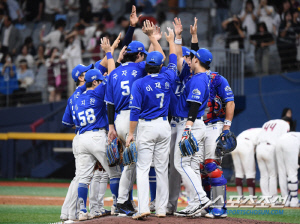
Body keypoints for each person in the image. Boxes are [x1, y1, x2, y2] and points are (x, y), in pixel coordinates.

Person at [105, 14, 165, 216]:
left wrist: (111, 127)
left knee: (129, 162)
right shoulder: (141, 68)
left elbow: (110, 104)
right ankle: (123, 201)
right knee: (135, 163)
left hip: (118, 119)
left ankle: (122, 202)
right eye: (142, 55)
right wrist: (153, 39)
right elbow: (156, 59)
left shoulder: (113, 73)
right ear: (139, 56)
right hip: (133, 118)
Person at [126, 27, 176, 220]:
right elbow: (170, 60)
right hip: (164, 126)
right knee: (163, 168)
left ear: (147, 66)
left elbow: (134, 111)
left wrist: (131, 134)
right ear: (160, 65)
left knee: (143, 168)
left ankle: (143, 208)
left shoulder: (139, 84)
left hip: (146, 126)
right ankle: (162, 209)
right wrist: (171, 41)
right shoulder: (168, 77)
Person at [74, 66, 122, 221]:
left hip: (81, 137)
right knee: (114, 173)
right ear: (94, 82)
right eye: (99, 81)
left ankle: (82, 211)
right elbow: (111, 77)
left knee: (84, 178)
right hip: (97, 136)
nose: (101, 82)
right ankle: (116, 205)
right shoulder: (97, 92)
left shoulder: (77, 98)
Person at [171, 40, 212, 217]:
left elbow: (194, 106)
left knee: (180, 164)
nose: (190, 59)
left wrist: (187, 129)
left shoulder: (198, 80)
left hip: (190, 125)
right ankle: (195, 204)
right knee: (191, 166)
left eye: (193, 57)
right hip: (195, 124)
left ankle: (202, 198)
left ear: (196, 60)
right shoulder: (202, 77)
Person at [60, 63, 92, 222]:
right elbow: (66, 123)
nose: (91, 72)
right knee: (81, 177)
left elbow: (67, 122)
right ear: (81, 77)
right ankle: (69, 212)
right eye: (87, 71)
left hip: (81, 137)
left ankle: (68, 211)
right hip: (84, 137)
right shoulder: (78, 95)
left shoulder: (77, 95)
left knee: (80, 177)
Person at [256, 117, 290, 203]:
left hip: (259, 147)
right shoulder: (285, 124)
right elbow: (285, 138)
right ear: (288, 122)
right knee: (273, 175)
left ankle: (266, 198)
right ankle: (273, 199)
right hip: (270, 148)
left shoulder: (268, 122)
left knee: (263, 175)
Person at [231, 128, 262, 197]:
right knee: (250, 173)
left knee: (239, 173)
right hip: (246, 143)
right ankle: (252, 197)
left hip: (235, 143)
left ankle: (240, 197)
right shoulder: (265, 132)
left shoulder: (256, 130)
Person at [276, 131, 300, 207]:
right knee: (292, 172)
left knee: (282, 172)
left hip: (279, 140)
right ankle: (294, 200)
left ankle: (285, 200)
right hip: (292, 141)